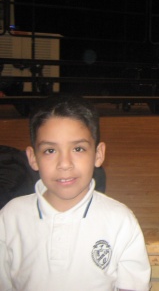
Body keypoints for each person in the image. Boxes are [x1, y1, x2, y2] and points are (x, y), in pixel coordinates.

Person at [0, 94, 151, 291]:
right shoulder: (11, 217)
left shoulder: (120, 220)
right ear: (33, 158)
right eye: (50, 151)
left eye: (78, 149)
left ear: (98, 154)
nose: (64, 164)